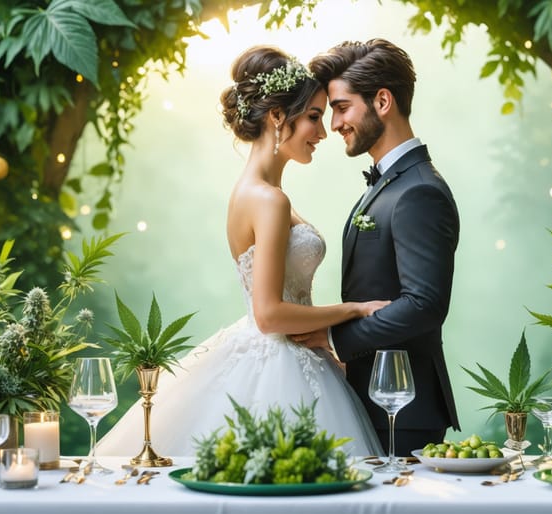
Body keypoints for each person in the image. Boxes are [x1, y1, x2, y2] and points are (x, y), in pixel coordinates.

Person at [97, 46, 386, 458]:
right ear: (276, 116)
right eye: (313, 117)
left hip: (293, 356)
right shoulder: (269, 201)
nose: (322, 133)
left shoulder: (251, 193)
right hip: (280, 367)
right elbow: (269, 315)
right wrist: (354, 310)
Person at [299, 39, 461, 453]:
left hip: (403, 410)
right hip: (370, 399)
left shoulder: (419, 191)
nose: (334, 124)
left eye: (341, 107)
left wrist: (335, 339)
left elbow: (424, 303)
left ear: (383, 101)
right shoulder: (391, 183)